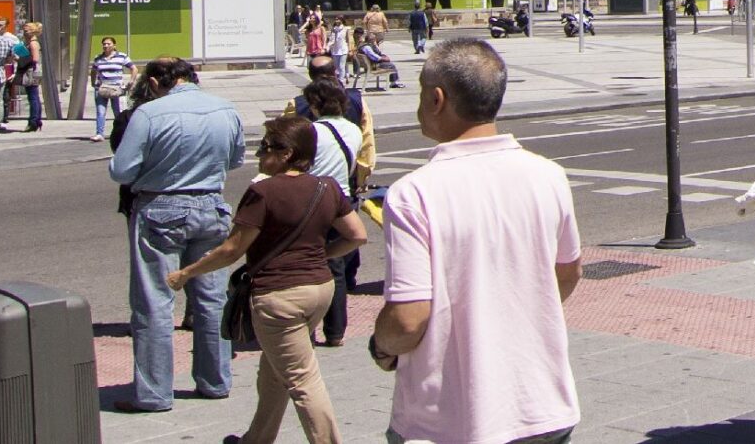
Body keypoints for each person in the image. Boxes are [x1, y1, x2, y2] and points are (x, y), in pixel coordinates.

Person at [372, 39, 582, 444]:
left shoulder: (415, 192)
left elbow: (407, 318)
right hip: (543, 407)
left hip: (450, 421)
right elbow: (568, 272)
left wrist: (381, 346)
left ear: (437, 99)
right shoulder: (548, 175)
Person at [169, 114, 364, 444]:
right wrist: (323, 255)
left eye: (264, 147)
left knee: (302, 379)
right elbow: (356, 236)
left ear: (286, 152)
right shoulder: (326, 186)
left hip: (279, 297)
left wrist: (186, 273)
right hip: (319, 289)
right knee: (274, 372)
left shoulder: (263, 192)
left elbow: (232, 250)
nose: (259, 155)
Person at [108, 56, 246, 413]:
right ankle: (215, 381)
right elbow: (235, 161)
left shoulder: (150, 114)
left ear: (154, 82)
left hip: (161, 207)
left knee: (154, 302)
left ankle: (154, 392)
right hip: (210, 205)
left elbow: (121, 170)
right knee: (211, 298)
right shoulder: (225, 109)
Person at [301, 78, 368, 348]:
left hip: (314, 200)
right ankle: (336, 331)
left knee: (307, 265)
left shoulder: (311, 131)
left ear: (316, 104)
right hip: (342, 200)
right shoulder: (353, 130)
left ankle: (306, 328)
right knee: (336, 267)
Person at [90, 37, 135, 139]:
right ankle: (99, 133)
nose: (106, 46)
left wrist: (131, 81)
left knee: (118, 112)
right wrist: (94, 83)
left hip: (117, 88)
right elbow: (93, 70)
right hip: (102, 87)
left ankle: (122, 133)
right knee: (100, 111)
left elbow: (133, 68)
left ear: (114, 45)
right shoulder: (98, 58)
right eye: (104, 44)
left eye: (108, 44)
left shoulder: (121, 56)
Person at [8, 21, 45, 131]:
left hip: (32, 72)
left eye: (27, 30)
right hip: (32, 71)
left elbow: (35, 59)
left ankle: (33, 121)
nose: (24, 31)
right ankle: (36, 120)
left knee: (33, 96)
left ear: (33, 31)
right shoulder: (28, 42)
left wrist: (19, 59)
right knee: (34, 96)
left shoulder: (33, 43)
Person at [359, 9, 402, 89]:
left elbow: (364, 22)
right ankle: (394, 83)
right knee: (391, 65)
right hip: (379, 31)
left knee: (381, 54)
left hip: (371, 30)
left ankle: (394, 82)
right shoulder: (381, 14)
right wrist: (387, 28)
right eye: (374, 40)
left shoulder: (368, 14)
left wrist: (367, 29)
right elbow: (385, 22)